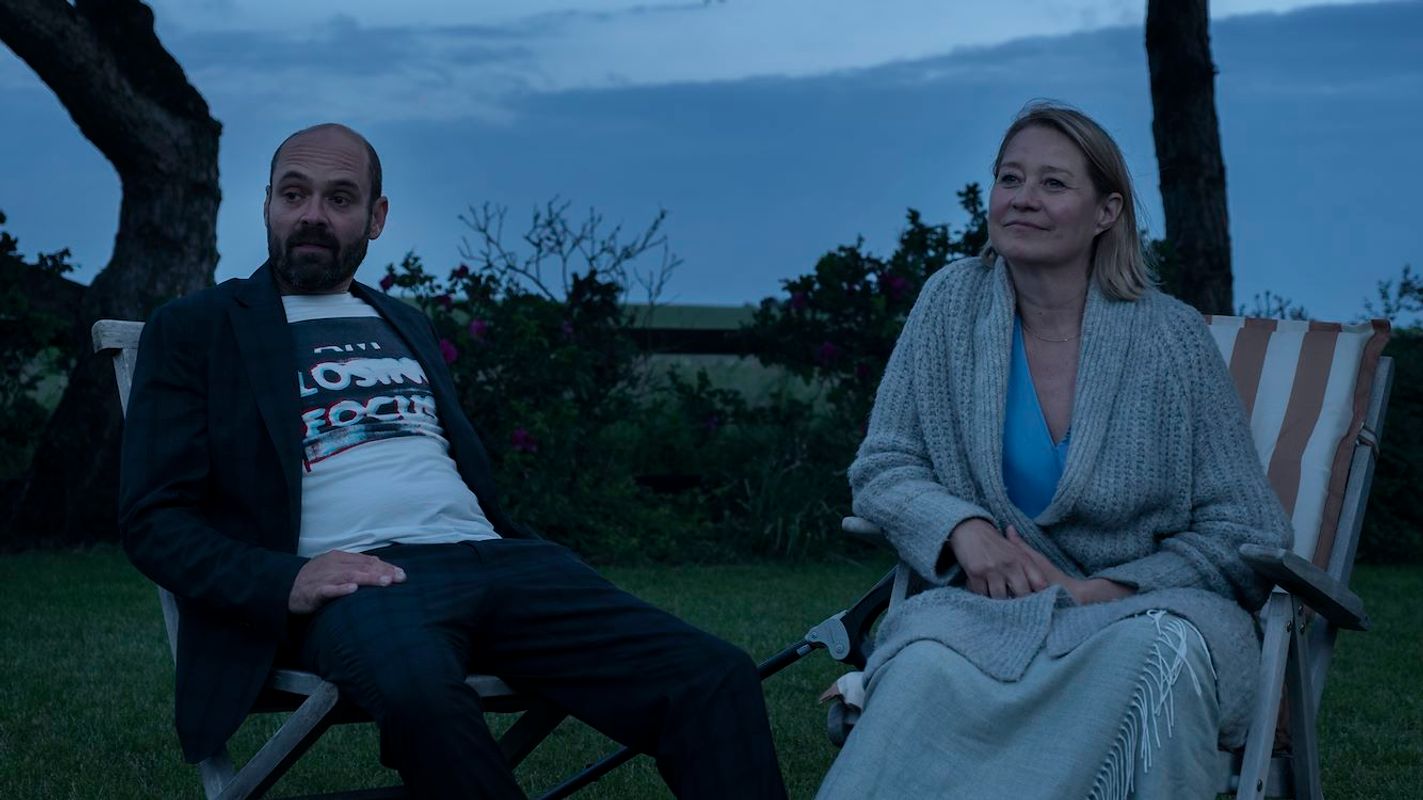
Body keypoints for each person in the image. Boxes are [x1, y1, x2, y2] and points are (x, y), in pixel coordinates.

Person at [118, 123, 788, 800]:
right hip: (362, 581)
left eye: (340, 198)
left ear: (376, 217)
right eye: (294, 194)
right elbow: (153, 519)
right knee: (424, 697)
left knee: (713, 675)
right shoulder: (199, 326)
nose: (312, 215)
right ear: (267, 204)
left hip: (498, 560)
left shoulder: (404, 321)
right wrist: (287, 579)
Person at [815, 102, 1292, 799]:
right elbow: (884, 464)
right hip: (984, 612)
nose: (1022, 199)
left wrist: (1099, 592)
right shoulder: (950, 305)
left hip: (1145, 612)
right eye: (1009, 179)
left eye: (1053, 183)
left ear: (1106, 212)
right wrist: (962, 528)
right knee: (922, 668)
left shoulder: (1172, 339)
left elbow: (1246, 530)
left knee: (1149, 660)